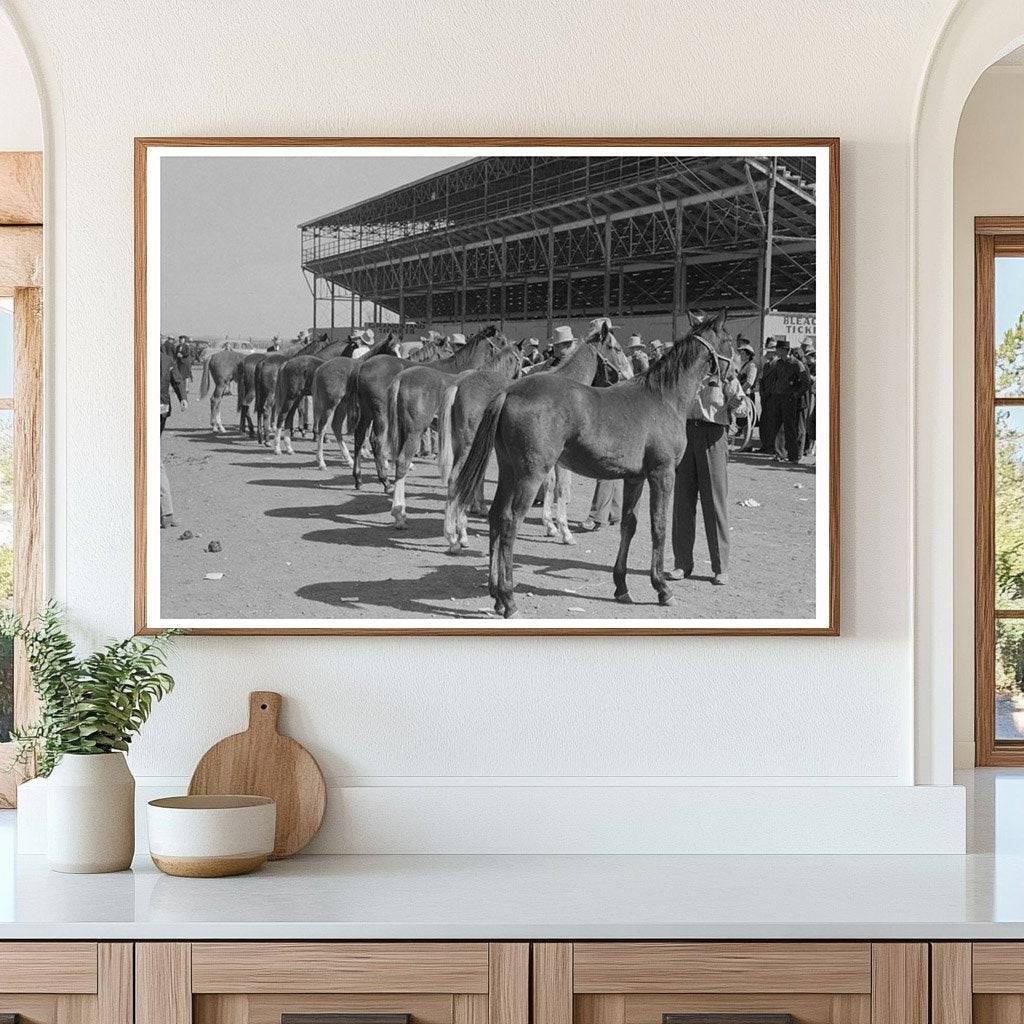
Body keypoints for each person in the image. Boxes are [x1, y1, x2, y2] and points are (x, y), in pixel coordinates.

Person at [669, 353, 744, 585]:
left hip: (713, 435)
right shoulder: (684, 374)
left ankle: (721, 567)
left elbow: (740, 408)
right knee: (682, 503)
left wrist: (731, 390)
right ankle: (682, 564)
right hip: (685, 434)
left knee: (714, 502)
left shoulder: (724, 372)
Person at [770, 337, 813, 463]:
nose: (776, 351)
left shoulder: (796, 364)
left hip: (789, 399)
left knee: (790, 428)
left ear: (784, 350)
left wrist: (795, 394)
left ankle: (793, 456)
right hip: (778, 398)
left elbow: (806, 382)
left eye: (778, 349)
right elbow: (776, 379)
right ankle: (780, 453)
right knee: (777, 426)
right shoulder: (778, 363)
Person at [758, 339, 782, 454]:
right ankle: (765, 445)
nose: (768, 354)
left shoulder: (779, 365)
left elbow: (778, 381)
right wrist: (763, 392)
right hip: (765, 397)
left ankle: (772, 446)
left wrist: (770, 392)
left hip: (774, 397)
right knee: (764, 422)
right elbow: (762, 380)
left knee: (773, 422)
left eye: (771, 352)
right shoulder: (767, 365)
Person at [159, 349, 187, 434]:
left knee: (160, 424)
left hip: (162, 401)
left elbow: (176, 380)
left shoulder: (167, 360)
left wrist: (183, 398)